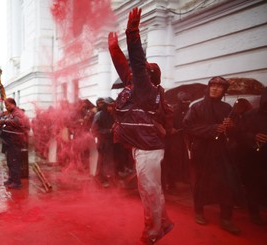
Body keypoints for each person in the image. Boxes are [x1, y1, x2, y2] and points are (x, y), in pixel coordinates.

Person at [111, 8, 173, 244]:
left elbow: (135, 62)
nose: (137, 70)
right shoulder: (137, 88)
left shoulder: (146, 89)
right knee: (152, 190)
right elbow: (125, 68)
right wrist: (113, 49)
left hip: (148, 149)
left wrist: (132, 32)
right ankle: (164, 222)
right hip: (143, 147)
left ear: (148, 76)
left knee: (149, 192)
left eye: (143, 69)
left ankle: (153, 232)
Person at [183, 76, 242, 234]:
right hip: (202, 152)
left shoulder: (227, 108)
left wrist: (231, 126)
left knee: (227, 183)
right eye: (213, 85)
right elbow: (188, 127)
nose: (215, 89)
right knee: (201, 183)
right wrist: (213, 129)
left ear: (224, 90)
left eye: (219, 87)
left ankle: (225, 218)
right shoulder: (196, 107)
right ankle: (199, 211)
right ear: (208, 88)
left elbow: (236, 132)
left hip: (222, 152)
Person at [236, 88, 267, 225]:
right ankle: (254, 213)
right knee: (253, 186)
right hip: (253, 158)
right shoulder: (250, 115)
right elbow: (239, 134)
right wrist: (253, 137)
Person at [0, 98, 30, 189]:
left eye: (7, 105)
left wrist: (4, 121)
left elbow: (17, 122)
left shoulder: (17, 113)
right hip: (9, 141)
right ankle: (11, 179)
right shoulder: (11, 113)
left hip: (15, 141)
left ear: (13, 104)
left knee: (14, 161)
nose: (6, 107)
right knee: (10, 162)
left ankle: (17, 182)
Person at [91, 97, 115, 188]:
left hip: (110, 142)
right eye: (109, 106)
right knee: (101, 161)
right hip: (102, 142)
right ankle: (100, 178)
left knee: (109, 161)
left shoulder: (111, 115)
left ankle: (108, 178)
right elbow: (94, 130)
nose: (110, 108)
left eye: (111, 106)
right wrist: (108, 131)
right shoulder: (99, 115)